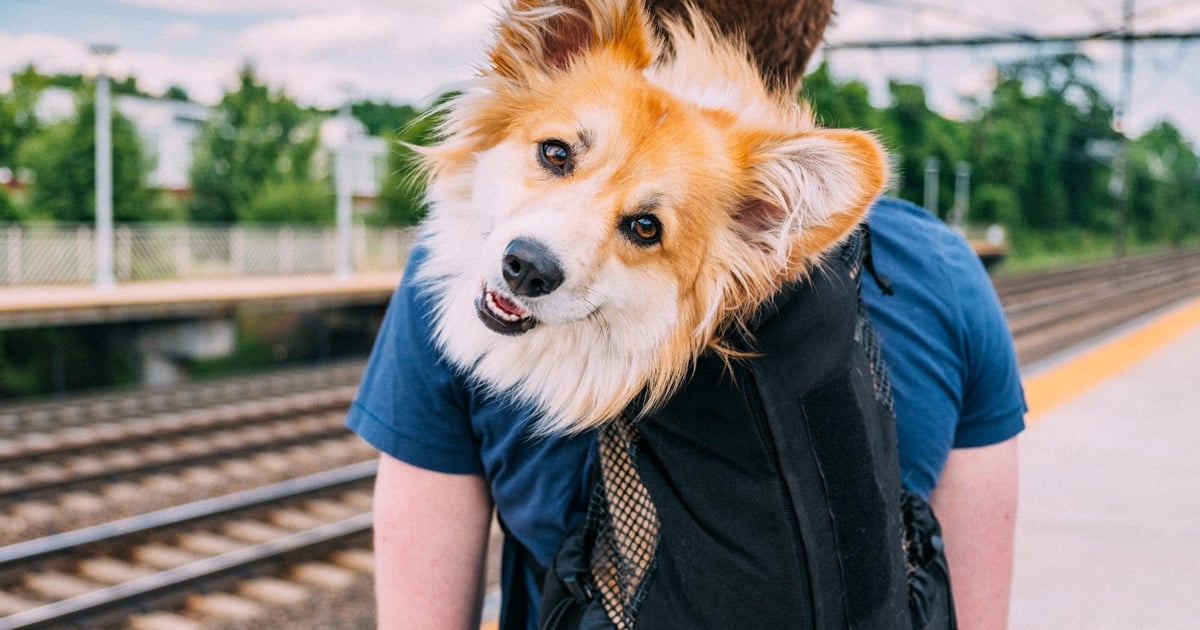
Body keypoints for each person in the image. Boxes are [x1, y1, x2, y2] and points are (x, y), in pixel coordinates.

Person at [347, 1, 1026, 629]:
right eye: (557, 157)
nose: (534, 261)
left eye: (643, 227)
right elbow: (969, 607)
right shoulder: (949, 273)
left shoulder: (468, 276)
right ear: (808, 48)